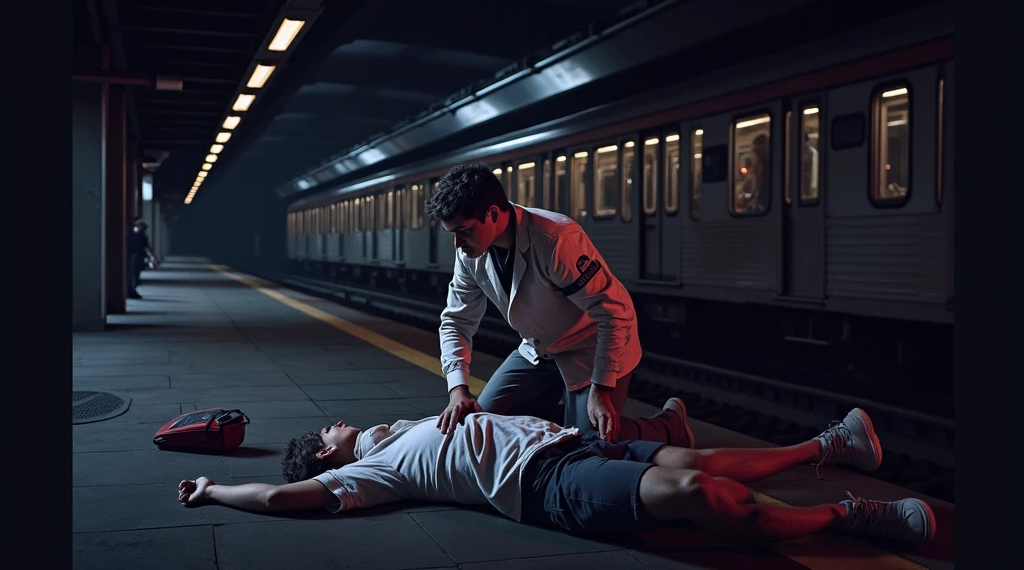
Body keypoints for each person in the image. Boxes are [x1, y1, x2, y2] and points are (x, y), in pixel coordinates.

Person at [176, 404, 935, 545]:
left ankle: (827, 447)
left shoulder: (396, 429)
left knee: (699, 461)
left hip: (568, 444)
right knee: (700, 496)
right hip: (546, 489)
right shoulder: (367, 474)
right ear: (328, 455)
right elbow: (277, 495)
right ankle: (849, 515)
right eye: (331, 429)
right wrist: (214, 490)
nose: (340, 421)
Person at [428, 162, 684, 446]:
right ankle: (564, 421)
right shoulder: (469, 252)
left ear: (492, 213)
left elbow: (614, 312)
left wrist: (601, 390)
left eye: (463, 231)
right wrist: (458, 391)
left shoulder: (556, 239)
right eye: (452, 233)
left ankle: (668, 426)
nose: (457, 243)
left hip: (590, 348)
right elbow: (456, 321)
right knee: (481, 425)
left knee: (590, 444)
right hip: (538, 350)